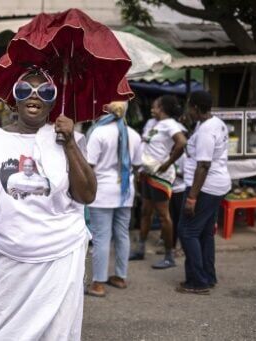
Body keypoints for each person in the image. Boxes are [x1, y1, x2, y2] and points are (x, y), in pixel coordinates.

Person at [0, 67, 96, 340]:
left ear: (53, 102)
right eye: (24, 90)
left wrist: (70, 145)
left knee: (56, 333)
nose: (34, 95)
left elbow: (86, 196)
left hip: (60, 254)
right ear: (12, 100)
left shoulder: (71, 139)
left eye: (45, 91)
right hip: (10, 255)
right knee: (4, 330)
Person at [85, 101, 142, 297]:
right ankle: (120, 276)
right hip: (125, 191)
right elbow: (137, 165)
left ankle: (98, 284)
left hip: (102, 192)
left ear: (106, 109)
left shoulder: (98, 133)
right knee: (122, 234)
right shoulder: (133, 134)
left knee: (101, 237)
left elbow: (89, 167)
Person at [176, 91, 231, 295]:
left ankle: (198, 282)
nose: (187, 110)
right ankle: (208, 276)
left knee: (187, 231)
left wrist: (192, 197)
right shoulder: (213, 123)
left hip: (204, 187)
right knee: (206, 232)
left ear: (196, 108)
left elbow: (204, 165)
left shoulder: (207, 130)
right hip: (216, 185)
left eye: (189, 106)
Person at [130, 95, 187, 270]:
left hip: (160, 177)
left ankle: (169, 256)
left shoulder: (170, 124)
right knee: (146, 212)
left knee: (163, 216)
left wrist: (168, 163)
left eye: (154, 106)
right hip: (148, 173)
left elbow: (182, 143)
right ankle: (141, 248)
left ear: (162, 108)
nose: (152, 109)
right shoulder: (153, 124)